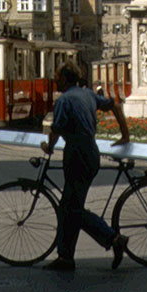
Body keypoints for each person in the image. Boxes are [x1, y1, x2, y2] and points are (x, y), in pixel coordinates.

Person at [42, 61, 130, 272]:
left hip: (76, 154)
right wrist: (125, 135)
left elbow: (56, 128)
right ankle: (65, 257)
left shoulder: (64, 100)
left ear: (65, 79)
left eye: (58, 77)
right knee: (69, 206)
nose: (56, 81)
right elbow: (116, 105)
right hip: (91, 153)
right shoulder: (88, 94)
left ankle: (113, 238)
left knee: (72, 209)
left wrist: (48, 146)